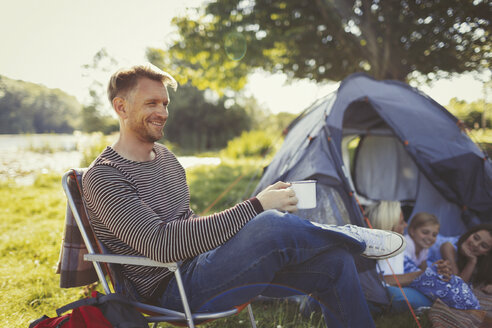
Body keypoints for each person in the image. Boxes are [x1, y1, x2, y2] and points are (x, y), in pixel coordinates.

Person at [82, 64, 406, 328]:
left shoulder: (165, 158)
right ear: (121, 107)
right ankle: (351, 237)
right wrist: (255, 208)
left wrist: (238, 236)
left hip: (203, 267)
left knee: (336, 262)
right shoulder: (106, 176)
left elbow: (187, 224)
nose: (163, 112)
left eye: (165, 103)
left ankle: (345, 244)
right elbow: (163, 245)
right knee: (269, 223)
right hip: (172, 291)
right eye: (151, 103)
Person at [365, 201, 433, 312]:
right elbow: (378, 282)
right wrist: (422, 274)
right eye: (401, 222)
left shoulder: (398, 247)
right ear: (389, 227)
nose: (406, 225)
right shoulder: (369, 253)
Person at [439, 224, 492, 294]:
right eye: (475, 238)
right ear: (470, 234)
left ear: (487, 253)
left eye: (483, 246)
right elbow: (457, 286)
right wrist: (472, 261)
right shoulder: (448, 246)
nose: (475, 244)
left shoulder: (481, 261)